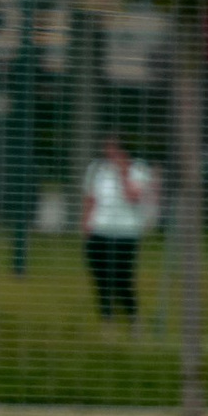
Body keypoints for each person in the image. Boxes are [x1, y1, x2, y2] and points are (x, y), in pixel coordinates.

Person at [80, 135, 157, 327]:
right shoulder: (97, 169)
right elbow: (90, 197)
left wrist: (123, 172)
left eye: (114, 150)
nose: (110, 154)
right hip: (100, 229)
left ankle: (133, 317)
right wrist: (86, 222)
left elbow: (133, 196)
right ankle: (107, 318)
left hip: (126, 232)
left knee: (122, 278)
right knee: (101, 276)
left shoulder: (138, 169)